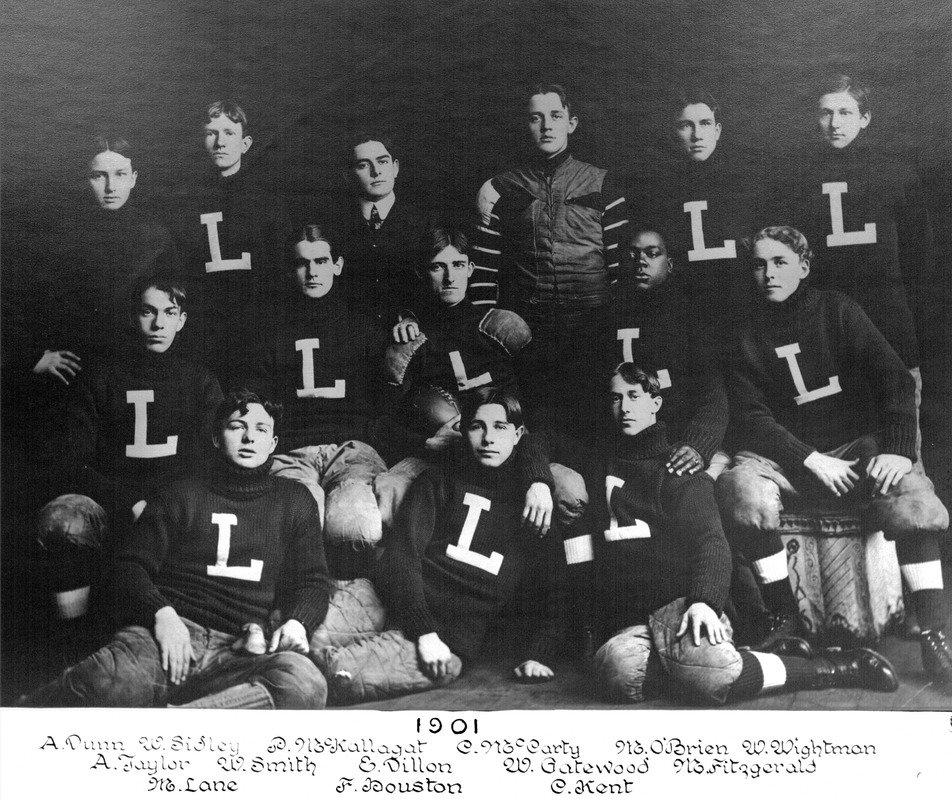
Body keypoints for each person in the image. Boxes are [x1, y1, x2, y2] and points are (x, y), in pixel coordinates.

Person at [550, 363, 900, 704]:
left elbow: (712, 543)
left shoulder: (677, 467)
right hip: (636, 616)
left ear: (656, 404)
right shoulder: (601, 460)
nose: (625, 407)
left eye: (635, 396)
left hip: (684, 604)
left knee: (713, 678)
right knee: (615, 672)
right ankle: (690, 662)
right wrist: (538, 478)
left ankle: (836, 667)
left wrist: (703, 601)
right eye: (615, 398)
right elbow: (539, 440)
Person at [716, 226, 951, 689]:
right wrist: (807, 459)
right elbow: (750, 416)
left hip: (851, 447)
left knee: (913, 497)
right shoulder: (742, 332)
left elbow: (896, 380)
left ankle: (932, 631)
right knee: (739, 490)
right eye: (759, 265)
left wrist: (899, 452)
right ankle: (783, 620)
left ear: (804, 267)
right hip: (784, 457)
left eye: (780, 262)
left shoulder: (837, 310)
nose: (768, 274)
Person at [19, 390, 331, 709]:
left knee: (304, 685)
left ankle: (179, 722)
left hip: (242, 648)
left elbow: (312, 581)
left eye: (261, 430)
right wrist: (162, 614)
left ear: (274, 443)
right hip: (172, 635)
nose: (249, 437)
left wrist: (297, 622)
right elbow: (129, 566)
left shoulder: (295, 500)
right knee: (112, 682)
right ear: (214, 437)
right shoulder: (180, 493)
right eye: (237, 426)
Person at [314, 388, 565, 704]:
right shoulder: (438, 481)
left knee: (325, 674)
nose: (488, 438)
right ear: (464, 432)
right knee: (296, 641)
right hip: (383, 600)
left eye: (499, 427)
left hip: (450, 638)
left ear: (517, 435)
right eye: (477, 426)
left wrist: (541, 654)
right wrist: (424, 632)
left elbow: (559, 590)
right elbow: (403, 554)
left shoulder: (534, 506)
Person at [247, 224, 460, 577]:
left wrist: (420, 441)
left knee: (357, 528)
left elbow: (384, 415)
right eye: (303, 263)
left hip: (353, 452)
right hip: (292, 452)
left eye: (322, 260)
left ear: (338, 265)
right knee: (294, 527)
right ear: (291, 269)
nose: (313, 271)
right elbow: (255, 404)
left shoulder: (365, 330)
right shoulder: (270, 332)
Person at [36, 277, 222, 621]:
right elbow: (72, 464)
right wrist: (129, 503)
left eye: (169, 312)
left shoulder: (201, 382)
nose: (158, 323)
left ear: (181, 321)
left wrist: (168, 508)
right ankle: (71, 640)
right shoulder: (100, 378)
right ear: (132, 317)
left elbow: (212, 464)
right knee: (62, 519)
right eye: (147, 312)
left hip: (176, 512)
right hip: (113, 505)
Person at [471, 83, 629, 434]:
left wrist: (614, 331)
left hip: (594, 333)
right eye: (535, 118)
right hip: (531, 339)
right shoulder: (499, 188)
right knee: (537, 428)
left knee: (592, 430)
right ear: (525, 125)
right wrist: (496, 335)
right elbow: (483, 276)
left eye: (555, 116)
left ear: (571, 123)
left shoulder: (604, 183)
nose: (546, 126)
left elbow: (621, 270)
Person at [156, 100, 291, 388]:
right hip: (200, 335)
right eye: (211, 133)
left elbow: (280, 279)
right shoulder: (182, 207)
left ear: (246, 143)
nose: (220, 142)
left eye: (229, 133)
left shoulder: (269, 206)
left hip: (256, 334)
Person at [630, 89, 760, 362]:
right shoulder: (659, 193)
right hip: (684, 317)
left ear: (718, 130)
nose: (697, 135)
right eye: (685, 125)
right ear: (674, 131)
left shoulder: (746, 185)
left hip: (742, 311)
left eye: (705, 124)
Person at [609, 227, 729, 478]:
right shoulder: (604, 320)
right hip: (625, 449)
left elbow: (714, 394)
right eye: (633, 255)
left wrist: (697, 446)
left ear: (670, 264)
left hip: (681, 445)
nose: (641, 262)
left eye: (652, 254)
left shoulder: (691, 318)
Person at [336, 132, 440, 325]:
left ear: (395, 168)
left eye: (383, 162)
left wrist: (413, 317)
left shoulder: (427, 222)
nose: (376, 171)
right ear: (348, 176)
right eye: (363, 165)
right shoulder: (335, 224)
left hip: (415, 332)